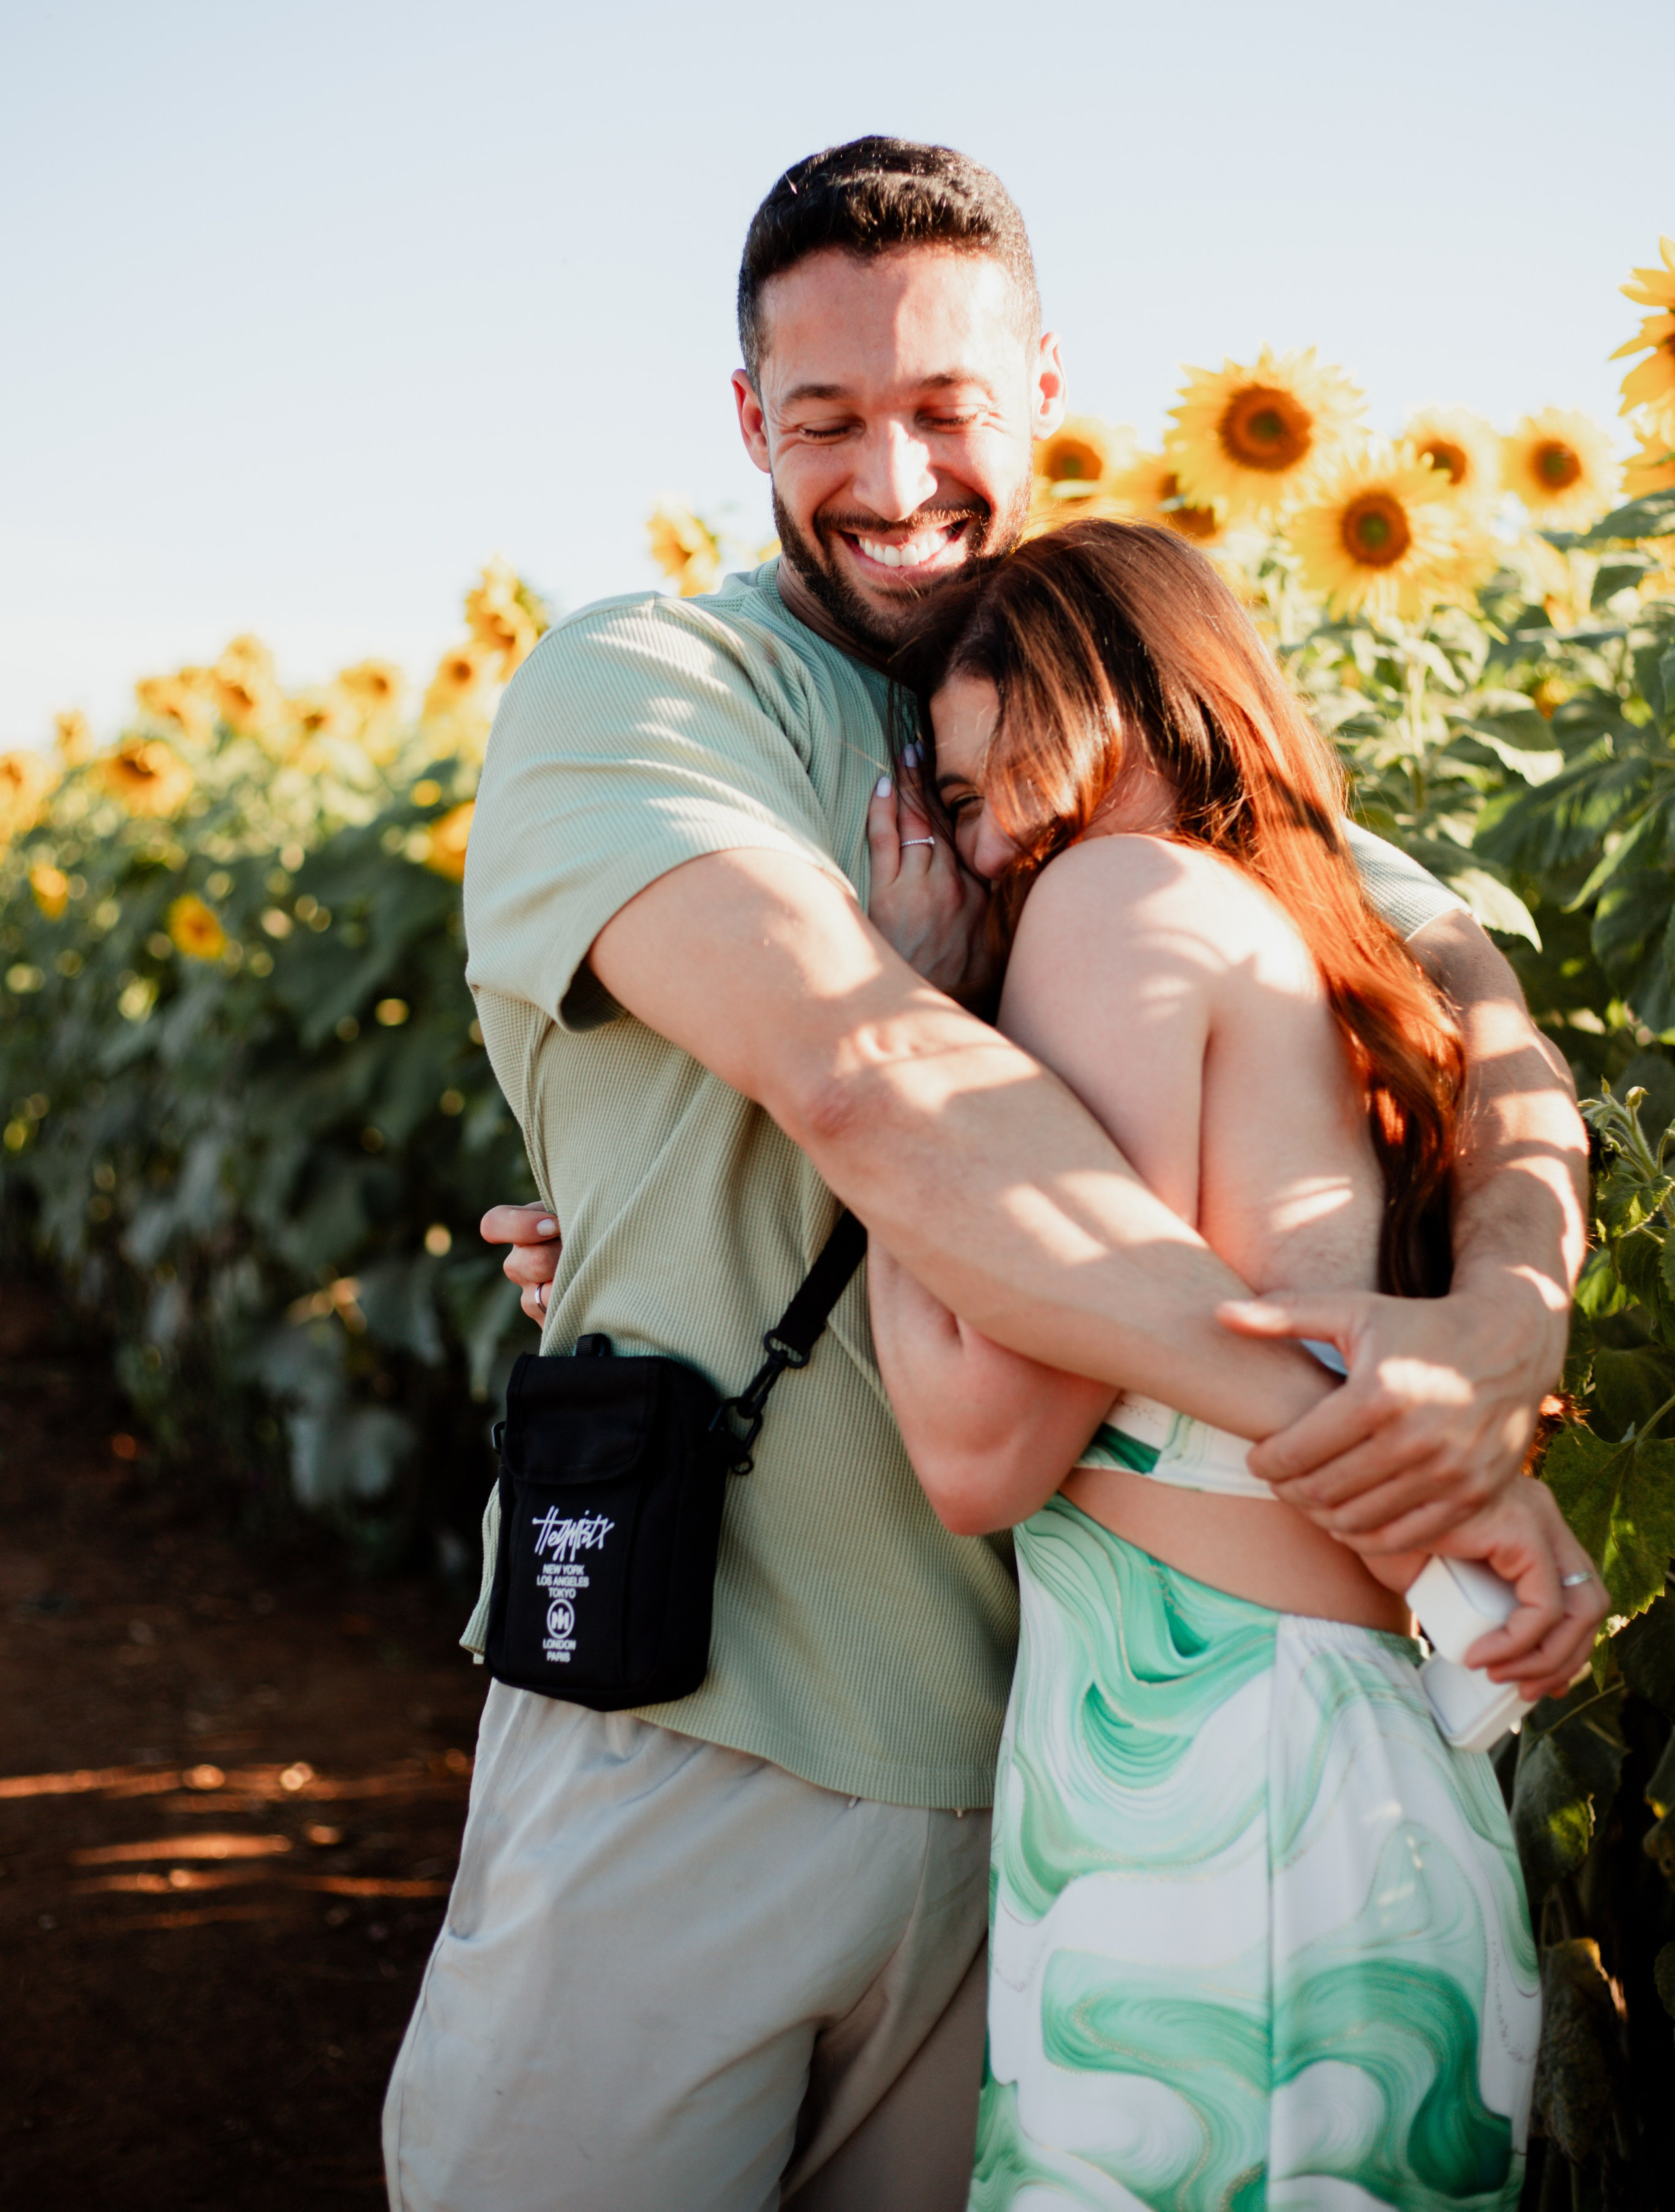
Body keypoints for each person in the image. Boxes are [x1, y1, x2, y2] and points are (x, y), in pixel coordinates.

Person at [385, 138, 1594, 2212]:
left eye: (945, 407)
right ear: (748, 422)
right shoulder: (653, 690)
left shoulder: (1114, 737)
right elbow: (869, 1085)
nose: (892, 473)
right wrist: (1381, 1447)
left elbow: (1490, 1043)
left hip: (1069, 1766)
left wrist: (1497, 1332)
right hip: (714, 1718)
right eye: (828, 416)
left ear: (1042, 392)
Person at [864, 520, 1600, 2207]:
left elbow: (980, 1444)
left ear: (1108, 713)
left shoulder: (1114, 900)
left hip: (1206, 1787)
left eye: (978, 794)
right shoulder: (1309, 927)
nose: (970, 852)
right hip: (1330, 1773)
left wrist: (907, 1040)